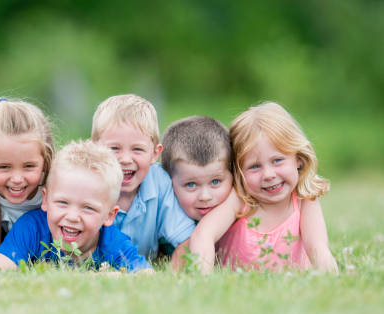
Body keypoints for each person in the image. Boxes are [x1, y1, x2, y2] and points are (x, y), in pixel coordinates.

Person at [189, 102, 339, 274]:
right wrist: (203, 278)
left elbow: (318, 250)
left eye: (277, 161)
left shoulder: (304, 200)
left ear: (299, 158)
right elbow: (203, 235)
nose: (268, 175)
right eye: (254, 166)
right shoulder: (240, 200)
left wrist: (333, 280)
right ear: (239, 171)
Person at [0, 140, 151, 272]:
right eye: (63, 203)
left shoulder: (112, 242)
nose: (72, 217)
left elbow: (146, 277)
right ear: (46, 199)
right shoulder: (32, 228)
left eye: (88, 208)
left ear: (109, 215)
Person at [91, 94, 194, 265]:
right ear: (95, 149)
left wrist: (174, 277)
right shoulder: (86, 182)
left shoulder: (159, 182)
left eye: (137, 149)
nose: (125, 159)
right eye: (114, 148)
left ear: (154, 154)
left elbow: (185, 239)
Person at [0, 97, 55, 234]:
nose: (17, 179)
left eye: (29, 166)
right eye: (4, 167)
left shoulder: (55, 192)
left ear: (45, 162)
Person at [161, 116, 233, 221]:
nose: (205, 197)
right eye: (191, 185)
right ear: (168, 181)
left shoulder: (249, 219)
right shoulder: (164, 226)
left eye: (215, 182)